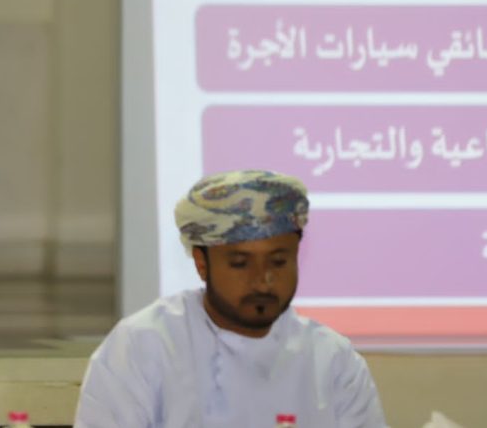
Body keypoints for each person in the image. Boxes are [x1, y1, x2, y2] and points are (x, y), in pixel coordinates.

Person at [75, 170, 386, 427]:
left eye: (278, 261)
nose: (262, 279)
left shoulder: (333, 361)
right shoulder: (142, 347)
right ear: (201, 264)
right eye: (240, 263)